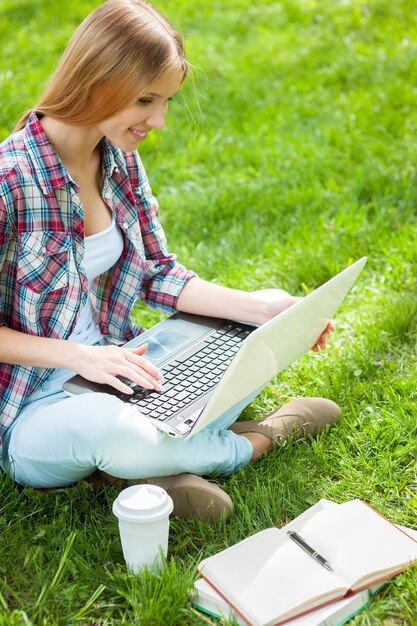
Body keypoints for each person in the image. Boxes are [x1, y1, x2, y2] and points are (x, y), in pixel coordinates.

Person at [0, 0, 340, 523]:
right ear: (98, 82)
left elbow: (158, 273)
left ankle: (143, 469)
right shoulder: (9, 181)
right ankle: (259, 438)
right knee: (117, 433)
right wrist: (78, 357)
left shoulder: (120, 162)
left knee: (249, 334)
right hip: (32, 407)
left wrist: (262, 311)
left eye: (166, 102)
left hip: (122, 368)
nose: (158, 121)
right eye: (145, 100)